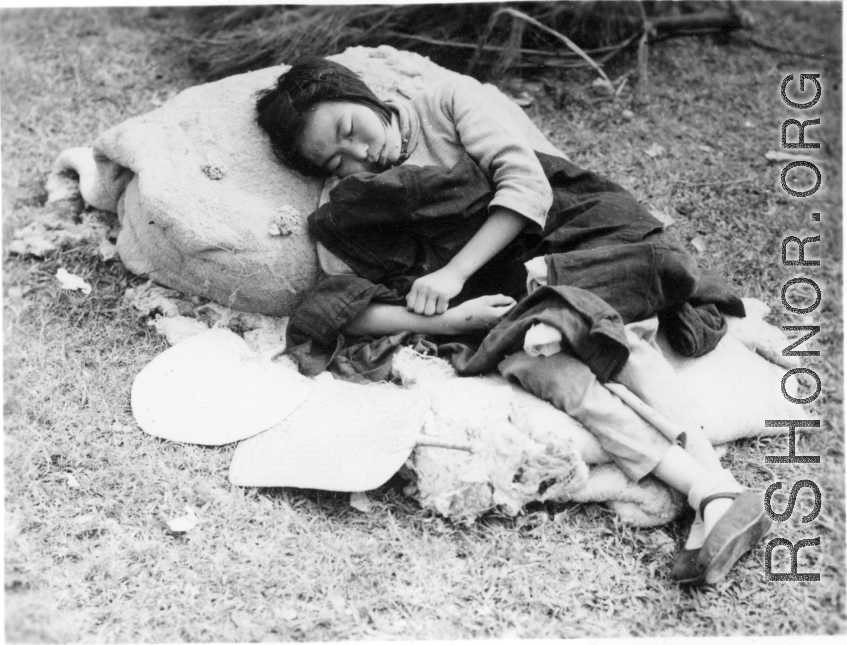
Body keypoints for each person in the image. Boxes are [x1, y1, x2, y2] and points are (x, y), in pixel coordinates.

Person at [255, 56, 771, 585]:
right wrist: (450, 322)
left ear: (360, 94)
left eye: (349, 130)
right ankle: (712, 494)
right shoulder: (346, 204)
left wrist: (454, 273)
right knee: (539, 366)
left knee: (613, 322)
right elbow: (342, 306)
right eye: (337, 161)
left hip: (574, 237)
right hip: (509, 300)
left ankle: (710, 489)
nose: (361, 155)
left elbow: (527, 186)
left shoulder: (447, 102)